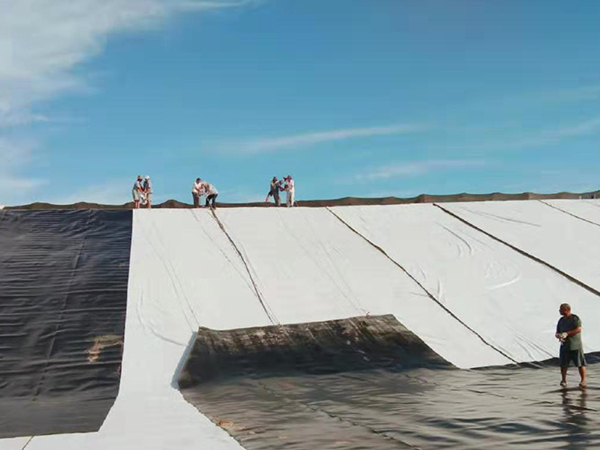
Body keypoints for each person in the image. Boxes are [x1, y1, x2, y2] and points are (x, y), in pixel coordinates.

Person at [555, 303, 587, 388]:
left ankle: (583, 380)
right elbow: (557, 331)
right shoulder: (561, 320)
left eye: (561, 309)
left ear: (566, 310)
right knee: (563, 364)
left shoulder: (575, 319)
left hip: (575, 345)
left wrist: (567, 333)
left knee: (580, 363)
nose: (559, 311)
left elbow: (578, 329)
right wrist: (559, 335)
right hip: (564, 345)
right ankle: (563, 380)